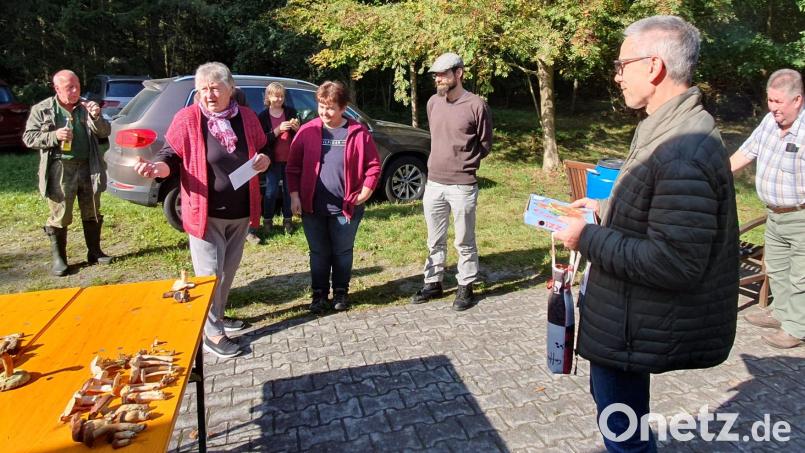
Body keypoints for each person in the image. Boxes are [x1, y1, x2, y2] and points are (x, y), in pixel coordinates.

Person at [554, 16, 738, 452]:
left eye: (622, 65)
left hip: (634, 325)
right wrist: (603, 208)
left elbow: (674, 260)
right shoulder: (666, 128)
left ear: (653, 66)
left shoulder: (684, 149)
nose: (617, 76)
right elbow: (658, 205)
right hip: (627, 318)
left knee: (625, 439)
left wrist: (586, 238)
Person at [134, 62, 269, 359]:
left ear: (230, 89)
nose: (209, 95)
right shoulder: (188, 118)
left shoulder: (246, 117)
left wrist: (264, 162)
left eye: (215, 88)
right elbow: (169, 155)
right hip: (204, 212)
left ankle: (218, 316)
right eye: (203, 89)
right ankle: (211, 333)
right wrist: (156, 168)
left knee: (228, 272)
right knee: (209, 275)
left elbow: (263, 149)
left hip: (241, 211)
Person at [286, 81, 380, 313]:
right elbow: (293, 167)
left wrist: (366, 191)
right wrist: (295, 196)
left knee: (342, 252)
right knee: (318, 253)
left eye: (330, 107)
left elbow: (373, 166)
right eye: (321, 106)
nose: (325, 112)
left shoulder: (358, 133)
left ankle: (340, 293)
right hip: (312, 207)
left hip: (346, 207)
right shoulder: (308, 131)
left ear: (343, 107)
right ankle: (318, 295)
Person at [411, 52, 492, 311]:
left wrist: (465, 164)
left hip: (462, 185)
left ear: (459, 73)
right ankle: (433, 282)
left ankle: (465, 286)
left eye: (444, 74)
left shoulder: (476, 105)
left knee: (464, 240)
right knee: (434, 240)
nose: (438, 79)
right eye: (436, 75)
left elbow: (485, 143)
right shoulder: (433, 103)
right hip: (434, 183)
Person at [731, 69, 805, 349]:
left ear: (797, 100)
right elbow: (746, 152)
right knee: (777, 267)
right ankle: (783, 314)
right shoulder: (769, 123)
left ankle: (796, 329)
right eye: (769, 101)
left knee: (801, 275)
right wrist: (716, 174)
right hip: (774, 214)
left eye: (778, 102)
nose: (772, 108)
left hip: (800, 215)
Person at [23, 69, 112, 276]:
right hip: (60, 168)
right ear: (57, 89)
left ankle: (95, 252)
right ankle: (60, 259)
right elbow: (29, 138)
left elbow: (104, 132)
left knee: (92, 210)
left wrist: (97, 116)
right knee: (60, 214)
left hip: (89, 166)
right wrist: (54, 135)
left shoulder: (86, 106)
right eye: (69, 87)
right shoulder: (43, 109)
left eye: (77, 86)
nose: (75, 91)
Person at [246, 82, 299, 243]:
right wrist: (277, 130)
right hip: (272, 160)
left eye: (282, 96)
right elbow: (262, 140)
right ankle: (267, 221)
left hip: (290, 158)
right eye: (275, 96)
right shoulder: (263, 116)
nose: (279, 99)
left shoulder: (290, 112)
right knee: (271, 191)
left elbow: (300, 134)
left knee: (289, 191)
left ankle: (287, 221)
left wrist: (297, 128)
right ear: (268, 97)